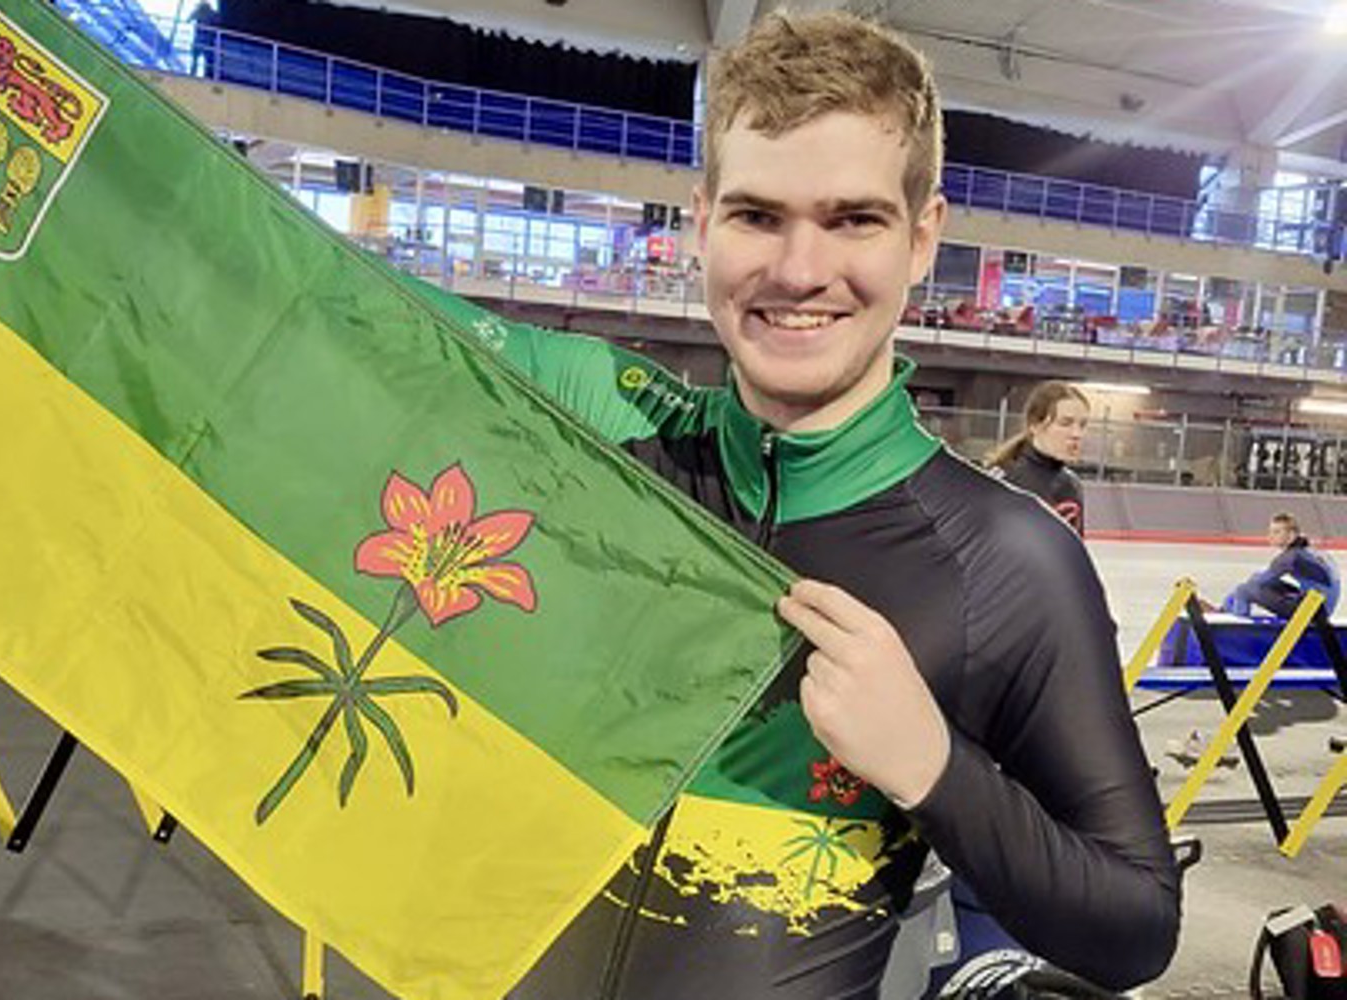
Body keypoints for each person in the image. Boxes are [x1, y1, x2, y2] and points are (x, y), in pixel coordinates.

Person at [407, 11, 1179, 998]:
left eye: (853, 218)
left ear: (921, 238)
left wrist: (932, 766)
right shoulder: (600, 430)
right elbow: (320, 309)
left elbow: (1136, 929)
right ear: (699, 223)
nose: (799, 270)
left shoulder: (1003, 561)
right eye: (756, 215)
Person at [986, 380, 1089, 534]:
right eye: (1065, 423)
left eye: (1082, 425)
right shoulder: (1002, 479)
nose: (1076, 434)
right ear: (1034, 425)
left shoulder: (1072, 485)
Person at [1220, 511, 1340, 619]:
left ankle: (1238, 626)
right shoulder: (1309, 551)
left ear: (1292, 535)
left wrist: (1232, 598)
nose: (1270, 536)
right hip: (1322, 606)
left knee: (1244, 590)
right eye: (1270, 532)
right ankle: (1225, 611)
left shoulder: (1289, 558)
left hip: (1313, 611)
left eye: (1276, 532)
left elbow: (1258, 582)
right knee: (1258, 582)